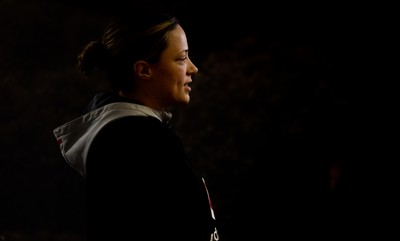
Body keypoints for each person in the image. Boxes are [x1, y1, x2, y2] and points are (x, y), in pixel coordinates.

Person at [53, 8, 219, 241]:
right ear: (143, 70)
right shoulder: (136, 140)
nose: (193, 68)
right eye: (181, 58)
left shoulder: (137, 132)